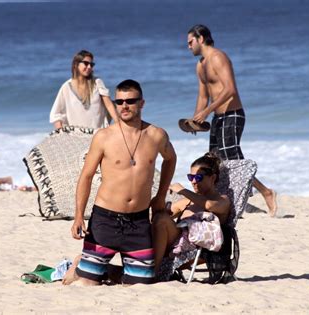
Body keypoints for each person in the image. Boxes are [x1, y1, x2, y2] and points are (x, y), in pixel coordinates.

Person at [65, 79, 177, 286]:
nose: (124, 106)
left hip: (139, 222)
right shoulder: (104, 137)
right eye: (119, 102)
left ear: (141, 103)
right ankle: (84, 266)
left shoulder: (156, 135)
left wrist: (161, 195)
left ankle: (90, 265)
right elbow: (86, 176)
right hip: (104, 220)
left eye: (130, 101)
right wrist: (78, 216)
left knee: (140, 286)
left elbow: (171, 159)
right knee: (87, 285)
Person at [186, 24, 277, 217]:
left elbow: (230, 90)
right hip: (218, 116)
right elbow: (203, 96)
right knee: (213, 160)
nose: (188, 46)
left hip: (233, 114)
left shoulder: (218, 57)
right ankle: (229, 197)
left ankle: (266, 192)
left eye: (190, 42)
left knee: (233, 159)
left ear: (201, 39)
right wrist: (196, 118)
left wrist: (207, 111)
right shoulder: (200, 65)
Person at [152, 152, 230, 275]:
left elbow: (209, 205)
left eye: (198, 178)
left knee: (161, 220)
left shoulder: (223, 200)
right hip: (171, 242)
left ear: (213, 178)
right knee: (156, 217)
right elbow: (164, 213)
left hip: (195, 250)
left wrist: (183, 191)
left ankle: (153, 272)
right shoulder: (188, 201)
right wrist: (159, 201)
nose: (193, 181)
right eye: (190, 177)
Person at [49, 50, 119, 130]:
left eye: (91, 64)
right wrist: (60, 134)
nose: (89, 67)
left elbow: (109, 105)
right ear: (76, 64)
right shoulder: (66, 87)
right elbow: (56, 114)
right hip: (76, 136)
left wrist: (119, 125)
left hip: (98, 134)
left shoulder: (97, 82)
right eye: (86, 63)